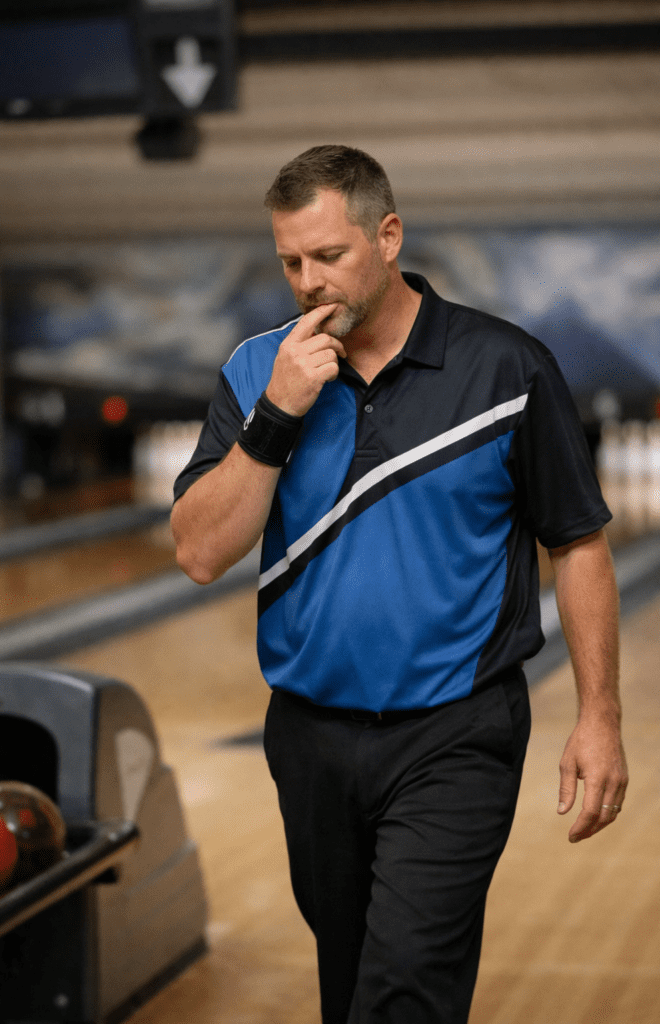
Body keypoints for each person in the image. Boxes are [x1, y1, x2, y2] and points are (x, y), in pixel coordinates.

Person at [171, 145, 628, 1024]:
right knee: (350, 986)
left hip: (456, 731)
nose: (307, 281)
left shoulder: (504, 366)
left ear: (387, 236)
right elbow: (198, 552)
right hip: (308, 737)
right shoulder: (254, 370)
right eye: (289, 262)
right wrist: (276, 415)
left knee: (405, 985)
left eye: (328, 257)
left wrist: (598, 714)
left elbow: (576, 543)